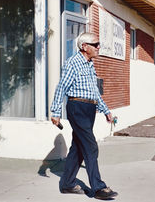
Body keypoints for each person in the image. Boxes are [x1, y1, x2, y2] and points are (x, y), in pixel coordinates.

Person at [50, 32, 118, 200]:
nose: (98, 47)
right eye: (96, 44)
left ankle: (67, 184)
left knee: (78, 148)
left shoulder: (89, 64)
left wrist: (106, 110)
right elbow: (61, 88)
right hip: (77, 107)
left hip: (89, 109)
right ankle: (98, 188)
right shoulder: (72, 63)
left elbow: (94, 91)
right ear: (84, 46)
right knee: (90, 146)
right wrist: (56, 112)